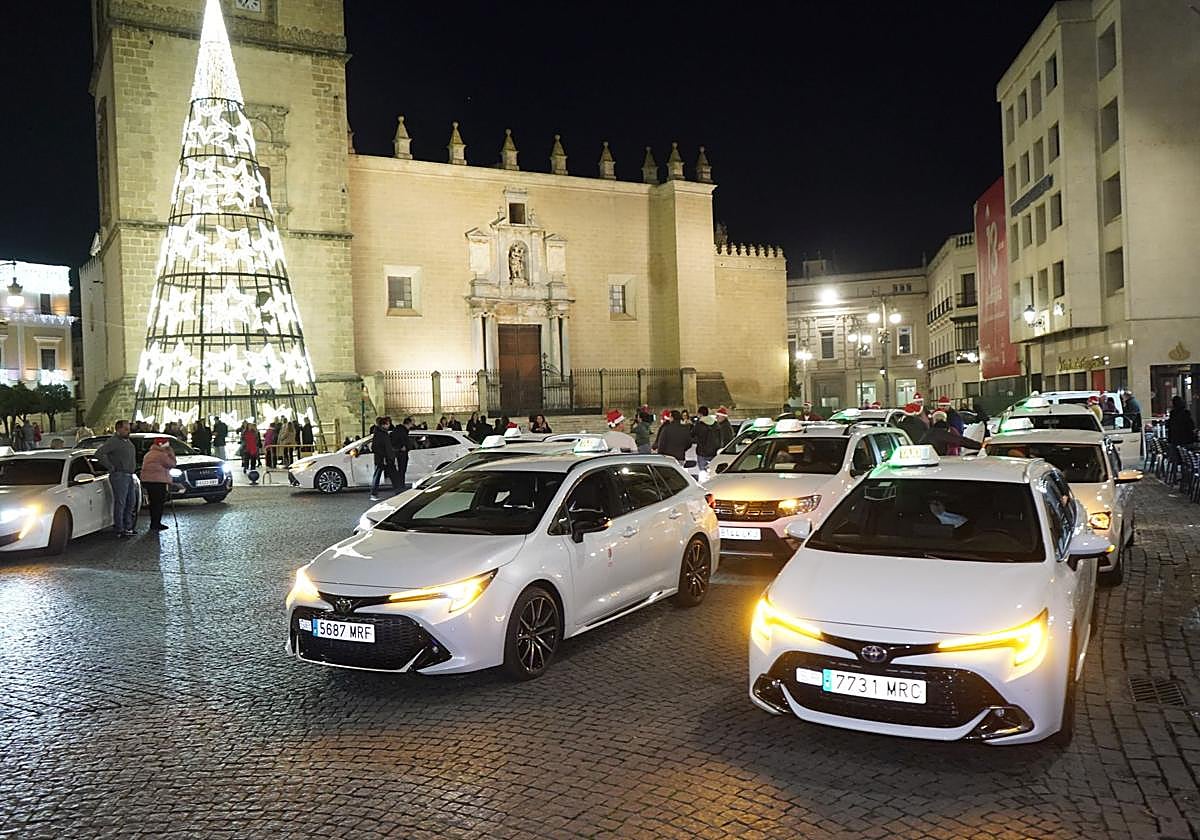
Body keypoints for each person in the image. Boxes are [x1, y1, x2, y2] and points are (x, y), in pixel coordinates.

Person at [95, 420, 139, 537]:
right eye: (125, 429)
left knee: (131, 502)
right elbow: (99, 453)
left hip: (129, 475)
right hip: (120, 475)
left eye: (129, 429)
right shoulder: (114, 441)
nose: (128, 431)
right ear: (118, 429)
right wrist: (110, 466)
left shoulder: (127, 441)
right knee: (121, 502)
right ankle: (120, 528)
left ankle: (128, 526)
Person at [140, 437, 177, 533]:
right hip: (158, 481)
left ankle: (154, 522)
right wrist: (171, 453)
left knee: (153, 502)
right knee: (159, 503)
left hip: (148, 480)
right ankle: (156, 523)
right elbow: (172, 464)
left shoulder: (149, 454)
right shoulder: (161, 455)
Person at [370, 416, 396, 501]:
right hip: (382, 459)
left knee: (392, 475)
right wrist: (384, 456)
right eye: (388, 424)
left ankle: (398, 491)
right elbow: (375, 447)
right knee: (378, 476)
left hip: (386, 458)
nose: (389, 425)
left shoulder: (382, 433)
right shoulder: (380, 434)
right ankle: (373, 494)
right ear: (383, 425)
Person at [692, 406, 722, 475]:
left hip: (702, 452)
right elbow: (720, 437)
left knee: (703, 472)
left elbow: (692, 434)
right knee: (713, 472)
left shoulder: (699, 424)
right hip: (714, 452)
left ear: (700, 414)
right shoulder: (716, 424)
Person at [1167, 395, 1195, 462]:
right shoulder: (1186, 413)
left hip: (1175, 440)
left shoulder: (1172, 414)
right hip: (1186, 440)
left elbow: (1169, 426)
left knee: (1178, 458)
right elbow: (1191, 426)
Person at [389, 416, 411, 491]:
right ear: (408, 423)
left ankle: (400, 486)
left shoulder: (399, 430)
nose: (411, 426)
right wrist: (401, 447)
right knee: (401, 471)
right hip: (401, 454)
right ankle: (400, 486)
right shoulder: (402, 431)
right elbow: (402, 442)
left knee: (401, 471)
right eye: (411, 424)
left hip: (400, 453)